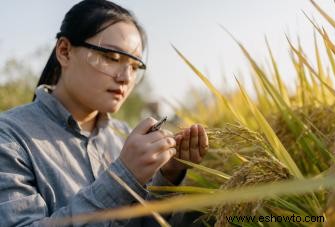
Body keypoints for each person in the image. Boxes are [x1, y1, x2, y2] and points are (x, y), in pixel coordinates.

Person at [0, 0, 209, 226]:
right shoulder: (10, 137)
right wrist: (123, 177)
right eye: (113, 58)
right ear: (65, 51)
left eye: (134, 67)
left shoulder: (125, 138)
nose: (126, 78)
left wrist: (169, 176)